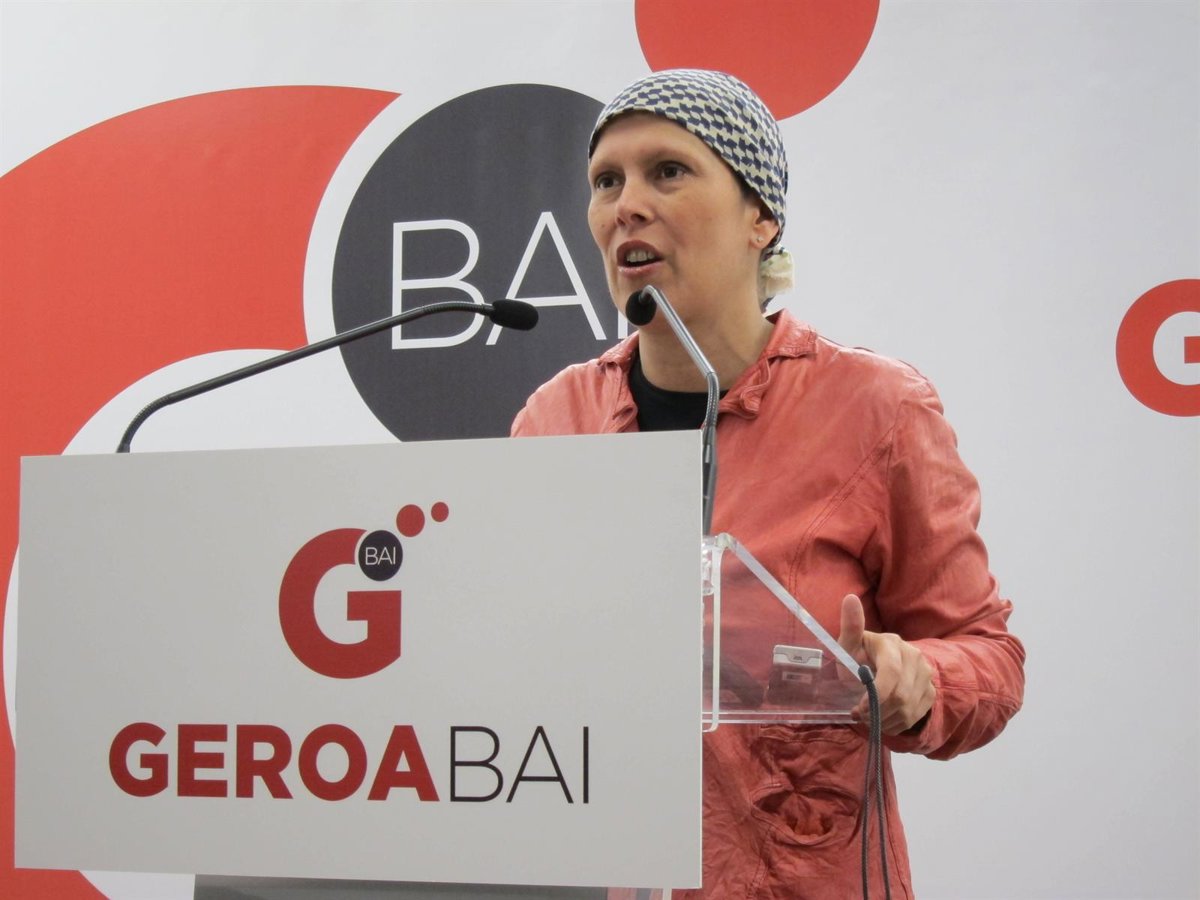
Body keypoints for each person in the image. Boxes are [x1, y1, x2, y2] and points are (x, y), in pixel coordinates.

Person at [511, 69, 1024, 899]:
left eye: (667, 172)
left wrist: (918, 680)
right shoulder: (555, 417)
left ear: (761, 218)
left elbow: (989, 655)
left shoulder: (875, 406)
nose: (626, 206)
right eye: (606, 182)